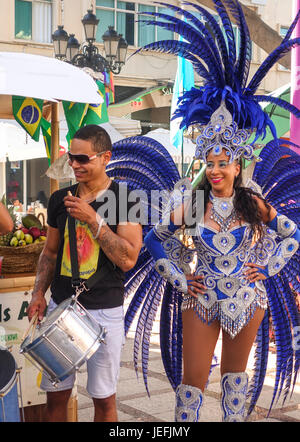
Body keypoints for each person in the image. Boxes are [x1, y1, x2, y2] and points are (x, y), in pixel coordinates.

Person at [127, 2, 300, 422]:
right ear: (204, 164)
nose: (218, 170)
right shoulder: (191, 201)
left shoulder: (254, 202)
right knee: (190, 390)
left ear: (239, 164)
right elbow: (154, 239)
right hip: (201, 300)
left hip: (247, 297)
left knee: (236, 389)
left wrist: (269, 267)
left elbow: (292, 233)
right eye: (212, 163)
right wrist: (181, 276)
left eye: (225, 162)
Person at [26, 124, 142, 422]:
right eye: (71, 158)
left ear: (105, 157)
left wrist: (95, 220)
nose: (75, 165)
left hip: (104, 310)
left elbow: (128, 258)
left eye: (83, 159)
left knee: (104, 401)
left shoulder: (124, 198)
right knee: (56, 399)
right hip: (61, 308)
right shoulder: (59, 199)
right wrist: (38, 292)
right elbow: (50, 253)